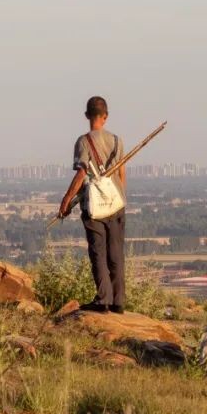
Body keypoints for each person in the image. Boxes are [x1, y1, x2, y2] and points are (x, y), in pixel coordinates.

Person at [58, 96, 126, 313]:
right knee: (116, 254)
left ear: (87, 116)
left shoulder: (83, 142)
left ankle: (103, 300)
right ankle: (118, 301)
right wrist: (119, 198)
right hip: (116, 204)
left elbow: (81, 173)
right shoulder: (117, 141)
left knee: (98, 253)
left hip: (94, 207)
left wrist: (67, 199)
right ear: (105, 117)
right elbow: (122, 174)